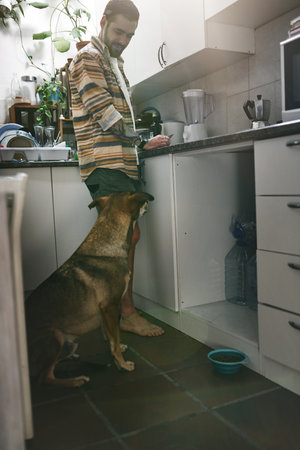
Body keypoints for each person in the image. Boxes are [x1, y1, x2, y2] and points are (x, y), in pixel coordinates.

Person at [69, 0, 170, 337]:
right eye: (119, 31)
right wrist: (140, 138)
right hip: (105, 162)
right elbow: (105, 113)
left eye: (130, 35)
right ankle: (125, 314)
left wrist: (141, 145)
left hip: (120, 161)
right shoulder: (90, 58)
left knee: (124, 239)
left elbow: (118, 117)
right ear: (103, 21)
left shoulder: (113, 63)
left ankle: (114, 312)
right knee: (124, 240)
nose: (124, 39)